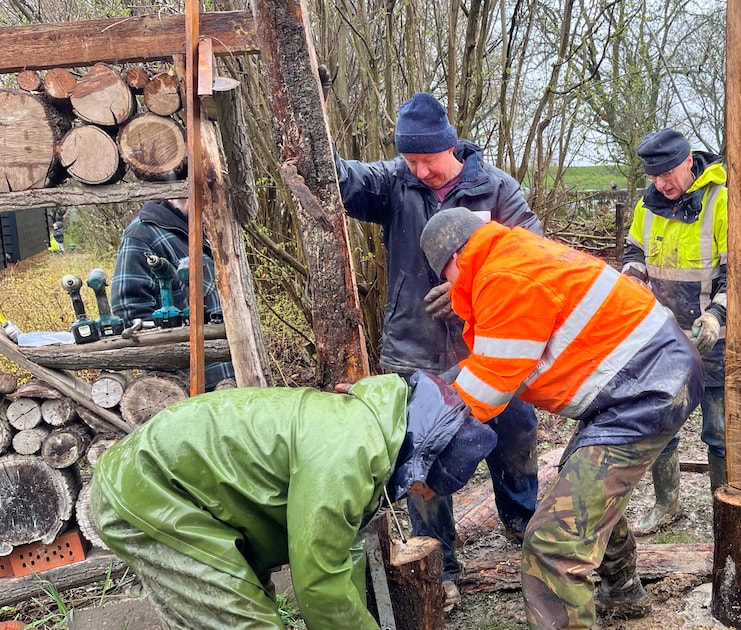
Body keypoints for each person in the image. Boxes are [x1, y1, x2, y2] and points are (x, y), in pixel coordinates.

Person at [419, 208, 704, 628]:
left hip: (646, 388)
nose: (448, 287)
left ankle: (611, 590)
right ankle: (622, 589)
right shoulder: (511, 257)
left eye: (445, 276)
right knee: (581, 487)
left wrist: (429, 455)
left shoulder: (502, 276)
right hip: (640, 380)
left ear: (454, 259)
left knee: (553, 544)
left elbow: (486, 390)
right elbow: (490, 363)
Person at [335, 91, 543, 607]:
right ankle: (440, 564)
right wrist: (307, 114)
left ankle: (524, 526)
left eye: (427, 158)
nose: (420, 170)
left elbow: (534, 257)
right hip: (415, 351)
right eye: (410, 159)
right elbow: (336, 178)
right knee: (421, 460)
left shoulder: (496, 189)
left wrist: (469, 288)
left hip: (492, 349)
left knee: (515, 435)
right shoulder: (395, 183)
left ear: (451, 146)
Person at [91, 370, 496, 630]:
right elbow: (319, 585)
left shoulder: (371, 426)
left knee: (237, 609)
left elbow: (340, 553)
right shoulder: (350, 455)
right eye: (422, 488)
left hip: (190, 495)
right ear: (423, 461)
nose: (413, 495)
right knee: (248, 623)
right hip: (150, 490)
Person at [621, 128, 729, 535]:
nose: (661, 183)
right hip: (663, 342)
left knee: (718, 432)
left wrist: (716, 316)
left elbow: (736, 272)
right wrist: (632, 281)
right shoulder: (647, 205)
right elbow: (634, 252)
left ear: (688, 162)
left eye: (667, 174)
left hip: (713, 341)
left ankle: (725, 509)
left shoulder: (719, 201)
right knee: (662, 426)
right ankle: (667, 504)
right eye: (654, 176)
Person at [111, 198, 233, 389]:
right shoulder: (141, 235)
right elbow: (129, 311)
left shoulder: (204, 227)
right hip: (186, 386)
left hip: (230, 375)